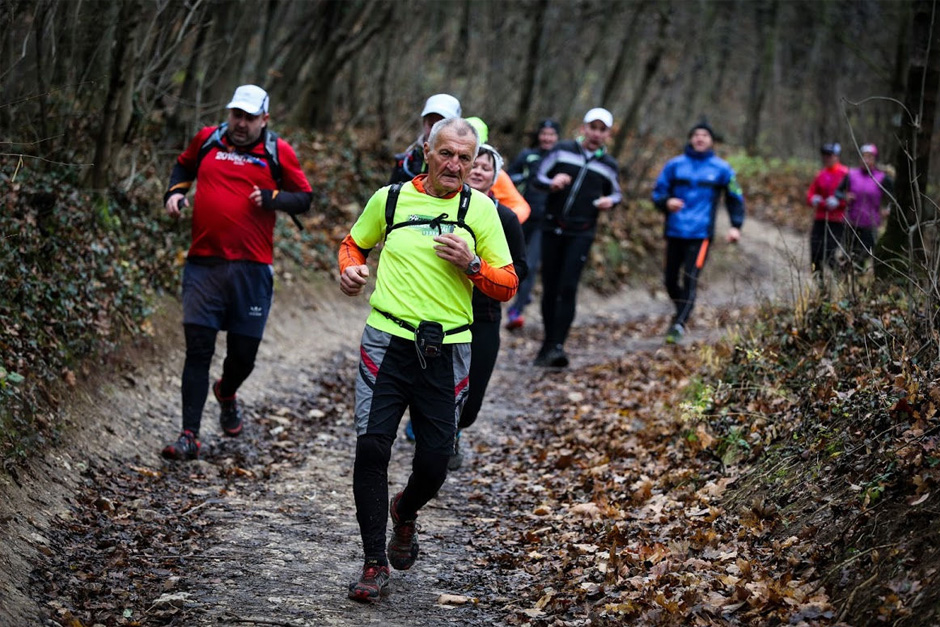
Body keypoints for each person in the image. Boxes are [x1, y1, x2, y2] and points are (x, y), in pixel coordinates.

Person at [339, 117, 518, 602]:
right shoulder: (391, 199)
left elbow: (507, 284)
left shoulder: (482, 211)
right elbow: (354, 243)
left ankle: (405, 510)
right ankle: (374, 563)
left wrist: (472, 264)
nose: (455, 165)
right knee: (372, 448)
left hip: (448, 349)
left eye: (465, 157)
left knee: (436, 462)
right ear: (426, 151)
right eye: (447, 154)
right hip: (387, 342)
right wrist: (350, 270)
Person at [161, 84, 313, 460]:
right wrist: (175, 193)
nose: (241, 124)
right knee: (198, 350)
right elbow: (183, 164)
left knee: (243, 356)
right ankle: (189, 435)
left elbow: (305, 197)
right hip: (204, 266)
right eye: (236, 116)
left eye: (249, 118)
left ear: (265, 119)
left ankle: (226, 392)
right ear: (228, 114)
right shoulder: (208, 139)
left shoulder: (278, 152)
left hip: (252, 270)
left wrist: (274, 198)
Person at [451, 143, 528, 470]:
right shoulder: (446, 208)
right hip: (443, 314)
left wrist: (478, 266)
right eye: (475, 164)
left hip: (484, 317)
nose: (480, 170)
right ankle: (438, 441)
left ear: (495, 176)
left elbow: (520, 270)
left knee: (471, 402)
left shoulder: (505, 217)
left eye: (487, 167)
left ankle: (455, 430)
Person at [532, 107, 622, 367]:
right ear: (583, 128)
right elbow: (538, 175)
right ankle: (548, 344)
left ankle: (558, 346)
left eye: (602, 129)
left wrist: (609, 201)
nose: (596, 133)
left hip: (581, 232)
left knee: (568, 287)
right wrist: (552, 182)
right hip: (552, 227)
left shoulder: (609, 165)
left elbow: (617, 193)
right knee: (550, 287)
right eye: (592, 127)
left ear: (607, 134)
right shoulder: (561, 150)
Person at [651, 121, 745, 344]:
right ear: (690, 138)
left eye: (704, 135)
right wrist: (666, 202)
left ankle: (678, 325)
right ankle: (682, 310)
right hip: (674, 230)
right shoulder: (675, 165)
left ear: (711, 140)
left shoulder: (722, 169)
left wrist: (736, 226)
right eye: (696, 135)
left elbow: (735, 197)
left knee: (690, 279)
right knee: (669, 280)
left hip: (701, 234)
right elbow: (658, 192)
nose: (700, 138)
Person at [505, 119, 561, 330]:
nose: (547, 138)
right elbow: (507, 178)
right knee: (512, 260)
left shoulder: (560, 159)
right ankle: (518, 294)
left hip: (544, 221)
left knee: (530, 263)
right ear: (539, 135)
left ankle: (516, 310)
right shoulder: (527, 155)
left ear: (557, 137)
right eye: (544, 134)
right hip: (520, 217)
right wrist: (524, 177)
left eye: (551, 134)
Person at [837, 143, 894, 272]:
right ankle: (847, 282)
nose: (866, 160)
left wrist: (888, 210)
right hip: (851, 223)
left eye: (869, 157)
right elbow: (837, 192)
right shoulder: (851, 175)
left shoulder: (882, 178)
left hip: (871, 224)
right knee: (848, 255)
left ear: (875, 159)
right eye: (863, 157)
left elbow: (895, 198)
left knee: (863, 256)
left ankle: (859, 278)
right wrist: (844, 196)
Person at [389, 93, 462, 185]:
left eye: (441, 126)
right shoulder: (406, 162)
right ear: (424, 123)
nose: (434, 131)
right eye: (431, 124)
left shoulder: (465, 165)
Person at [806, 142, 848, 286]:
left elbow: (851, 196)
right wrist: (813, 199)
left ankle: (842, 282)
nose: (827, 158)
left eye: (830, 155)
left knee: (830, 253)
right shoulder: (821, 174)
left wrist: (840, 202)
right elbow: (810, 194)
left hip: (837, 220)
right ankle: (821, 288)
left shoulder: (845, 174)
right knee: (815, 253)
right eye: (825, 155)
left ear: (836, 156)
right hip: (820, 219)